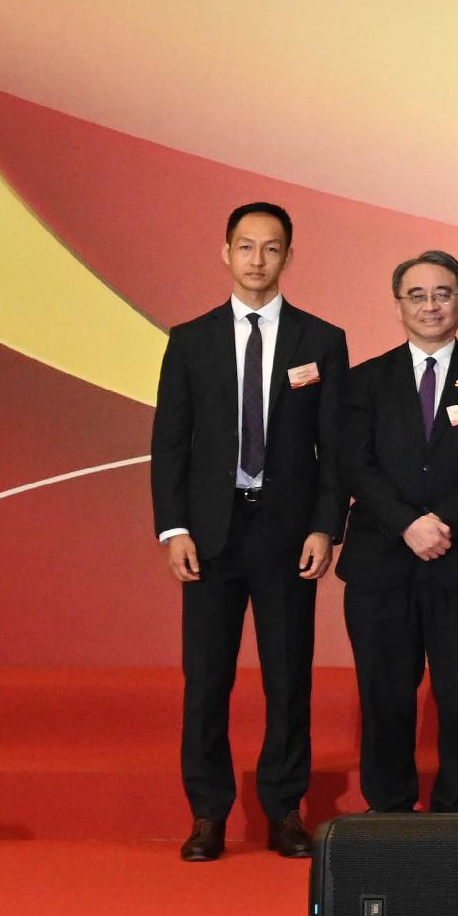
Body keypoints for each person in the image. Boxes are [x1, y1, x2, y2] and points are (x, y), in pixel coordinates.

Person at [151, 202, 345, 860]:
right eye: (245, 246)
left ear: (289, 255)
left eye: (271, 248)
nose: (257, 259)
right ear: (224, 252)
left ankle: (284, 809)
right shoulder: (190, 339)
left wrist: (326, 526)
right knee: (207, 678)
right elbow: (170, 445)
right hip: (209, 534)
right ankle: (207, 813)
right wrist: (173, 528)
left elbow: (334, 450)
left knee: (287, 678)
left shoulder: (322, 340)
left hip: (288, 535)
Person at [333, 249, 458, 822]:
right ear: (398, 305)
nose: (430, 305)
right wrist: (407, 524)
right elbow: (354, 464)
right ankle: (388, 811)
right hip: (381, 566)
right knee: (385, 697)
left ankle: (456, 816)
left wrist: (443, 520)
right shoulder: (365, 380)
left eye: (443, 293)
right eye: (416, 295)